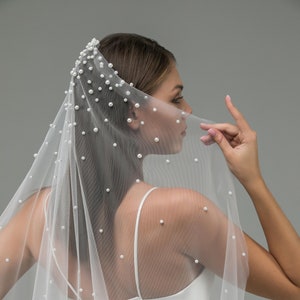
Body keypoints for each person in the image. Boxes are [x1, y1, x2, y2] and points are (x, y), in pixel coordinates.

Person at [0, 33, 299, 300]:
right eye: (177, 98)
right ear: (133, 113)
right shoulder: (184, 213)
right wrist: (253, 181)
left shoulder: (39, 215)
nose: (188, 110)